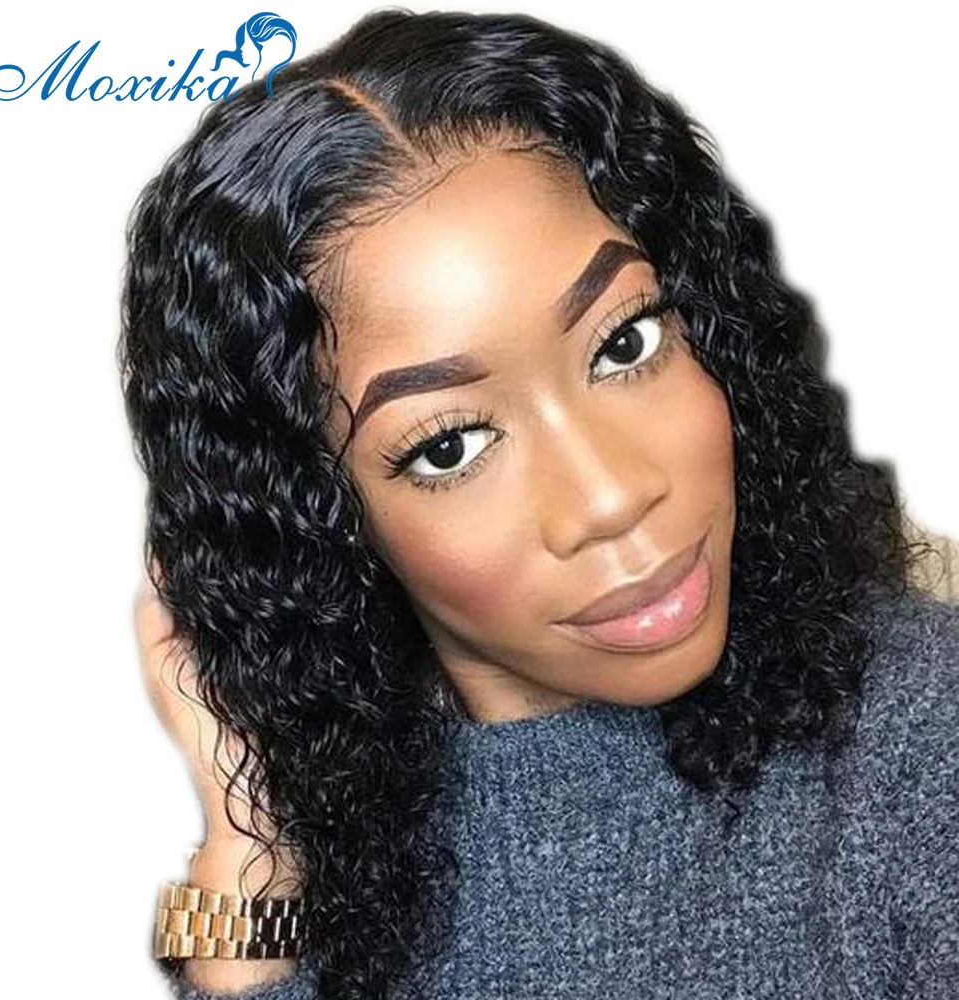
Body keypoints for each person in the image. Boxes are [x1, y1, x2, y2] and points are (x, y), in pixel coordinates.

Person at [119, 8, 959, 1000]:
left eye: (625, 343)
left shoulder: (917, 733)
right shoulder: (342, 852)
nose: (610, 496)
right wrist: (245, 842)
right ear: (324, 517)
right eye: (449, 445)